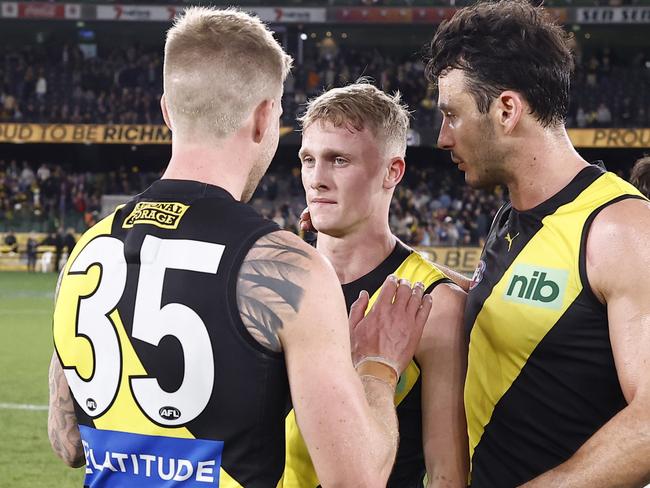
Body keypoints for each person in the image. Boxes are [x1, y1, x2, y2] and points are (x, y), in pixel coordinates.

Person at [47, 7, 432, 488]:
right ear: (265, 115)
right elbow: (355, 478)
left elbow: (68, 443)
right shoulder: (285, 268)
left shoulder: (85, 249)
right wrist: (379, 366)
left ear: (167, 109)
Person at [427, 1, 650, 486]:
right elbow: (516, 310)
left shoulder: (621, 230)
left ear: (507, 110)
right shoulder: (513, 211)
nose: (442, 137)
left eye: (452, 115)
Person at [283, 82, 468, 488]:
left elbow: (446, 474)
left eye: (339, 161)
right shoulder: (273, 279)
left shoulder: (434, 305)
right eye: (308, 159)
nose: (317, 179)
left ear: (392, 171)